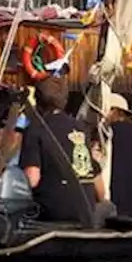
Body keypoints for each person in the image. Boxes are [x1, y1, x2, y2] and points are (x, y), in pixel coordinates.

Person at [19, 77, 103, 222]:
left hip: (51, 213)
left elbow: (32, 179)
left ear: (37, 101)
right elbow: (95, 178)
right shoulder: (81, 129)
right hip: (85, 212)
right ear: (65, 100)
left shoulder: (35, 130)